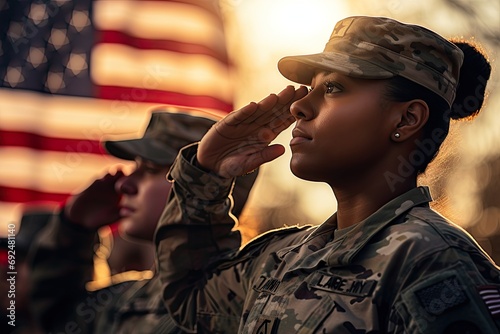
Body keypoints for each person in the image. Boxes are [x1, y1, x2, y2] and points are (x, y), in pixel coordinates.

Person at [154, 16, 500, 333]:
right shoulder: (283, 257)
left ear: (406, 120)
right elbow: (191, 295)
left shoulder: (436, 262)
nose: (298, 106)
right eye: (311, 88)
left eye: (333, 89)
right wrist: (207, 173)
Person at [28, 109, 259, 333]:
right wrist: (73, 231)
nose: (123, 185)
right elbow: (57, 319)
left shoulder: (247, 299)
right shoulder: (129, 298)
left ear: (209, 184)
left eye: (149, 169)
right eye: (134, 168)